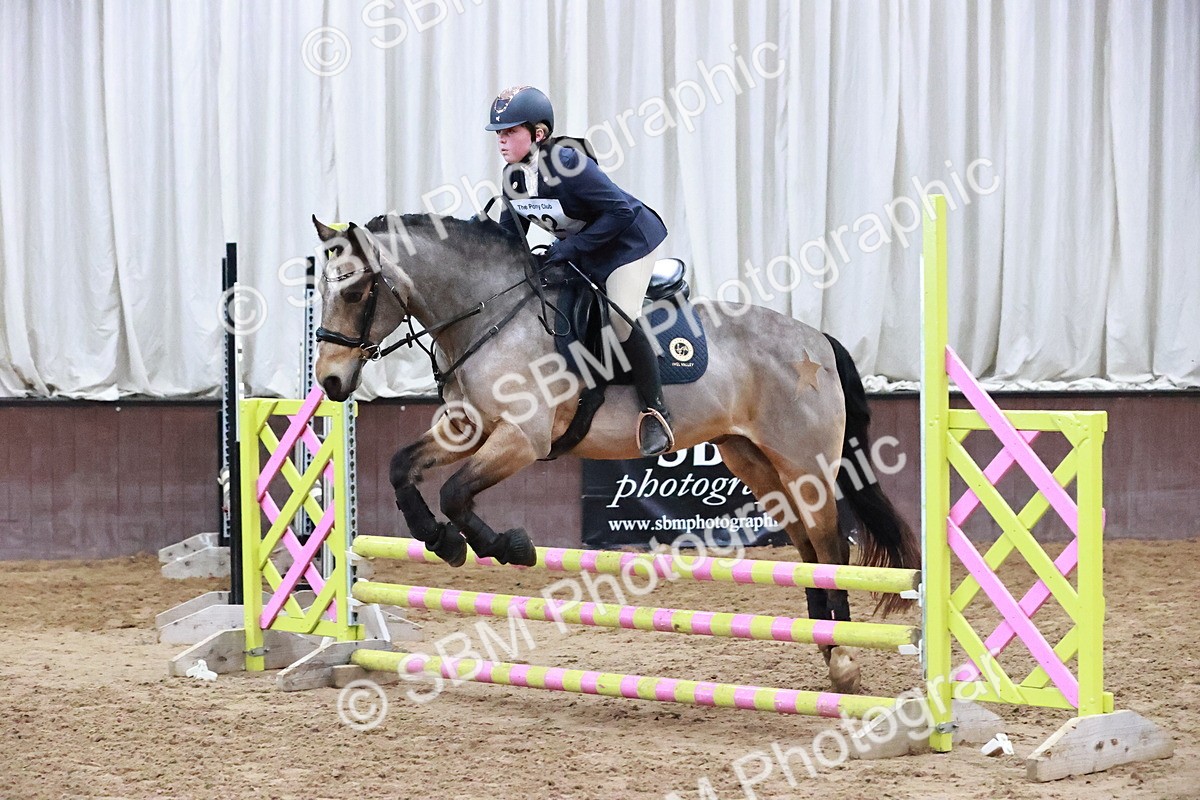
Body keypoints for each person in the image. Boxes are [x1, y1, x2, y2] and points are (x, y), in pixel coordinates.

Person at [485, 85, 674, 457]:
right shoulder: (513, 178)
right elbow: (511, 237)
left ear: (538, 134)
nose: (501, 141)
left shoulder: (568, 163)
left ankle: (655, 410)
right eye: (498, 134)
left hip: (627, 244)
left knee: (620, 318)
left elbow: (620, 212)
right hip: (585, 249)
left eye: (510, 132)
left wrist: (567, 249)